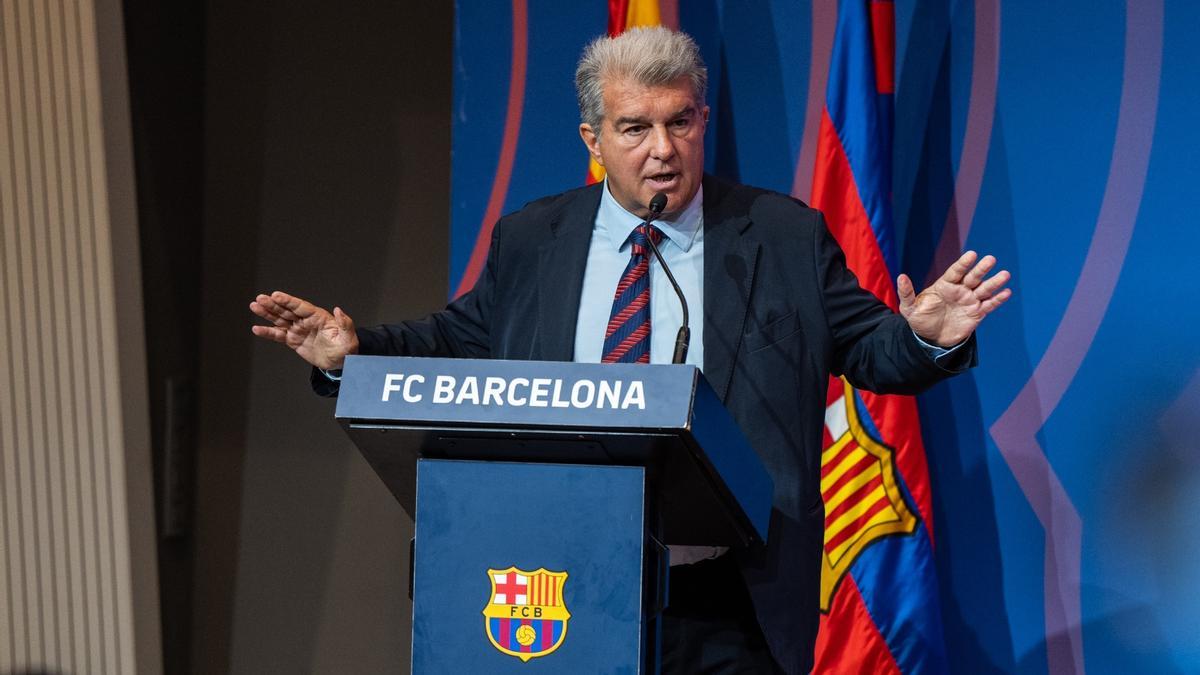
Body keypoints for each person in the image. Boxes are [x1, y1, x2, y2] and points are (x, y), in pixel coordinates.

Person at [250, 26, 1010, 674]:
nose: (662, 150)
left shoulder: (782, 237)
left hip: (727, 601)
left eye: (679, 122)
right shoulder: (534, 239)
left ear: (703, 119)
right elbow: (456, 340)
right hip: (564, 582)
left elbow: (871, 350)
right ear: (594, 140)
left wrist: (924, 335)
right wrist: (354, 354)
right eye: (634, 128)